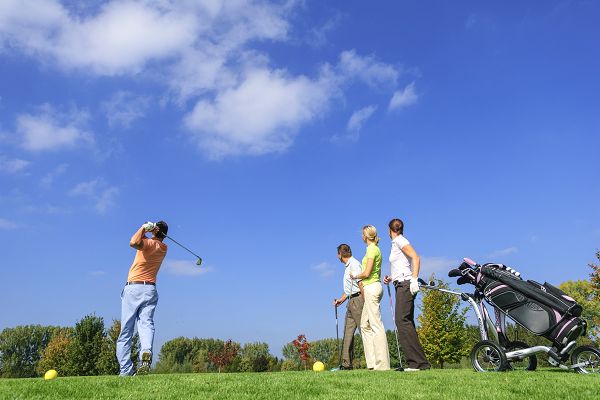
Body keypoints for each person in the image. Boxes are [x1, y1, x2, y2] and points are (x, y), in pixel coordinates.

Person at [116, 221, 168, 376]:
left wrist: (144, 227)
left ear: (155, 230)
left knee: (126, 330)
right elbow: (143, 241)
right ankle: (145, 352)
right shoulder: (164, 248)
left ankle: (125, 371)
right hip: (150, 289)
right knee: (146, 324)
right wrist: (150, 231)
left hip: (134, 288)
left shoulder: (148, 243)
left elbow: (133, 242)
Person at [383, 218, 430, 371]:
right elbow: (402, 264)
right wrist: (392, 277)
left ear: (390, 230)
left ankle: (416, 363)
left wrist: (414, 279)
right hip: (401, 282)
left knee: (401, 320)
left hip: (406, 284)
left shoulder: (400, 241)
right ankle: (419, 363)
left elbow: (415, 257)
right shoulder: (397, 242)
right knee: (406, 321)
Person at [350, 225, 390, 371]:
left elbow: (366, 273)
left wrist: (355, 276)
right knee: (364, 324)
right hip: (370, 289)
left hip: (372, 287)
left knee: (375, 325)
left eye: (362, 234)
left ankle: (383, 365)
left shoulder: (372, 249)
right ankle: (372, 364)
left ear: (365, 236)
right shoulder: (371, 249)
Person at [333, 244, 364, 370]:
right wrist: (341, 300)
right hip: (350, 301)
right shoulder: (347, 267)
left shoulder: (354, 264)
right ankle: (346, 364)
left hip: (358, 300)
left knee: (364, 331)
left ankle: (375, 362)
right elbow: (349, 289)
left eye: (337, 254)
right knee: (347, 332)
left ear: (340, 254)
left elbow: (360, 283)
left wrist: (365, 301)